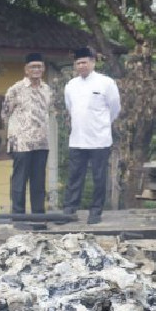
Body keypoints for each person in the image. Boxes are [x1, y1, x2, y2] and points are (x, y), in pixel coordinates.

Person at [62, 47, 121, 225]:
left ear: (93, 62)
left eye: (84, 62)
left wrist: (101, 125)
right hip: (77, 138)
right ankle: (69, 210)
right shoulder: (71, 85)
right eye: (78, 63)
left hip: (99, 139)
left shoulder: (106, 83)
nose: (81, 66)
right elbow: (69, 108)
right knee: (74, 176)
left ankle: (95, 212)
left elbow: (115, 109)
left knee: (98, 177)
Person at [1, 52, 52, 215]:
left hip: (41, 143)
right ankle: (18, 218)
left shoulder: (47, 90)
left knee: (38, 183)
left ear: (43, 69)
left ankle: (38, 218)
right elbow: (5, 114)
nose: (36, 70)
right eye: (32, 67)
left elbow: (49, 112)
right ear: (26, 70)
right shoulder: (15, 90)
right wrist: (12, 137)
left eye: (39, 66)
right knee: (19, 182)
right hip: (21, 142)